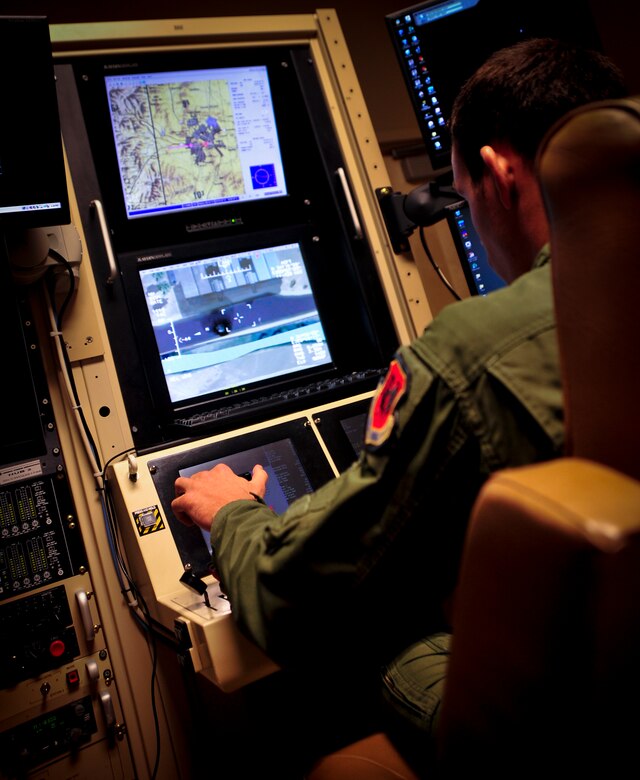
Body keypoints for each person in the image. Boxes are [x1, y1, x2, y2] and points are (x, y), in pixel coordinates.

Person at [172, 38, 627, 774]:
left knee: (376, 628)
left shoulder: (477, 351)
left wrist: (231, 513)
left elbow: (298, 598)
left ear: (499, 175)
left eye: (465, 196)